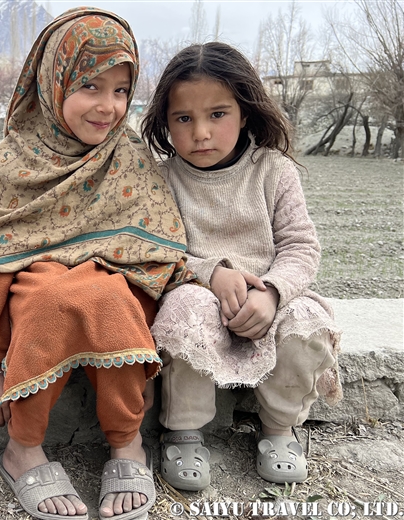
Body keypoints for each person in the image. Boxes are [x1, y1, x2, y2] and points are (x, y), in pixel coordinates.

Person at [0, 8, 194, 520]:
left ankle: (127, 441)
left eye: (120, 89)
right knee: (52, 301)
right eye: (90, 85)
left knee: (110, 299)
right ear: (54, 80)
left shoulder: (128, 154)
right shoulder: (15, 160)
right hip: (39, 283)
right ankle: (23, 448)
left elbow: (157, 254)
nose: (107, 106)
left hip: (117, 279)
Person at [140, 42, 343, 492]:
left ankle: (279, 428)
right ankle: (184, 430)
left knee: (308, 322)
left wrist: (271, 292)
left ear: (246, 111)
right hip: (198, 295)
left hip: (268, 303)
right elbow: (156, 251)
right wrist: (211, 272)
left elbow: (301, 245)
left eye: (218, 114)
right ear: (165, 122)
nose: (201, 134)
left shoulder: (274, 170)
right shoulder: (163, 179)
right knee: (185, 309)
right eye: (183, 119)